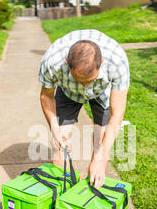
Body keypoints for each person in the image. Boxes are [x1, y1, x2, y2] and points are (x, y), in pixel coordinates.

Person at [39, 29, 130, 188]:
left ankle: (90, 188)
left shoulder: (117, 62)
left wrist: (101, 157)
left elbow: (117, 113)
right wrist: (55, 130)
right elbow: (46, 96)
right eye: (79, 80)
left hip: (102, 91)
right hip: (68, 91)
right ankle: (60, 192)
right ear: (67, 61)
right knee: (59, 143)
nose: (85, 86)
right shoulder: (52, 61)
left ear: (101, 62)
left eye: (89, 80)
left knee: (101, 141)